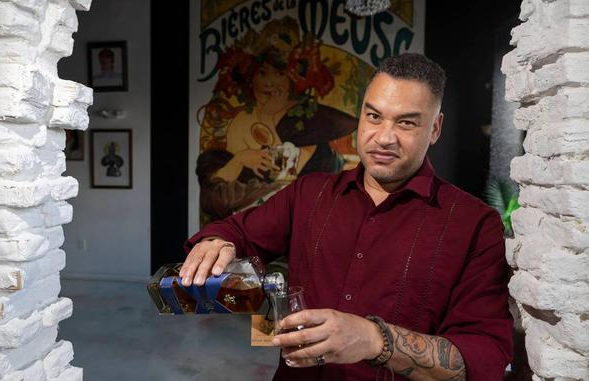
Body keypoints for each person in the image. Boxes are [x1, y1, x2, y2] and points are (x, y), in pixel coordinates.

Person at [182, 53, 513, 381]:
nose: (384, 137)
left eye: (406, 122)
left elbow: (484, 358)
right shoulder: (308, 193)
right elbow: (237, 231)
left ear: (435, 129)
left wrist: (374, 340)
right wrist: (217, 241)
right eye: (374, 116)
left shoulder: (474, 225)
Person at [196, 17, 358, 221]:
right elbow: (216, 200)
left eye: (279, 73)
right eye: (262, 73)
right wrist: (240, 159)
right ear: (251, 78)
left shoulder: (312, 122)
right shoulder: (239, 124)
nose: (270, 82)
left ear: (291, 79)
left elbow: (286, 187)